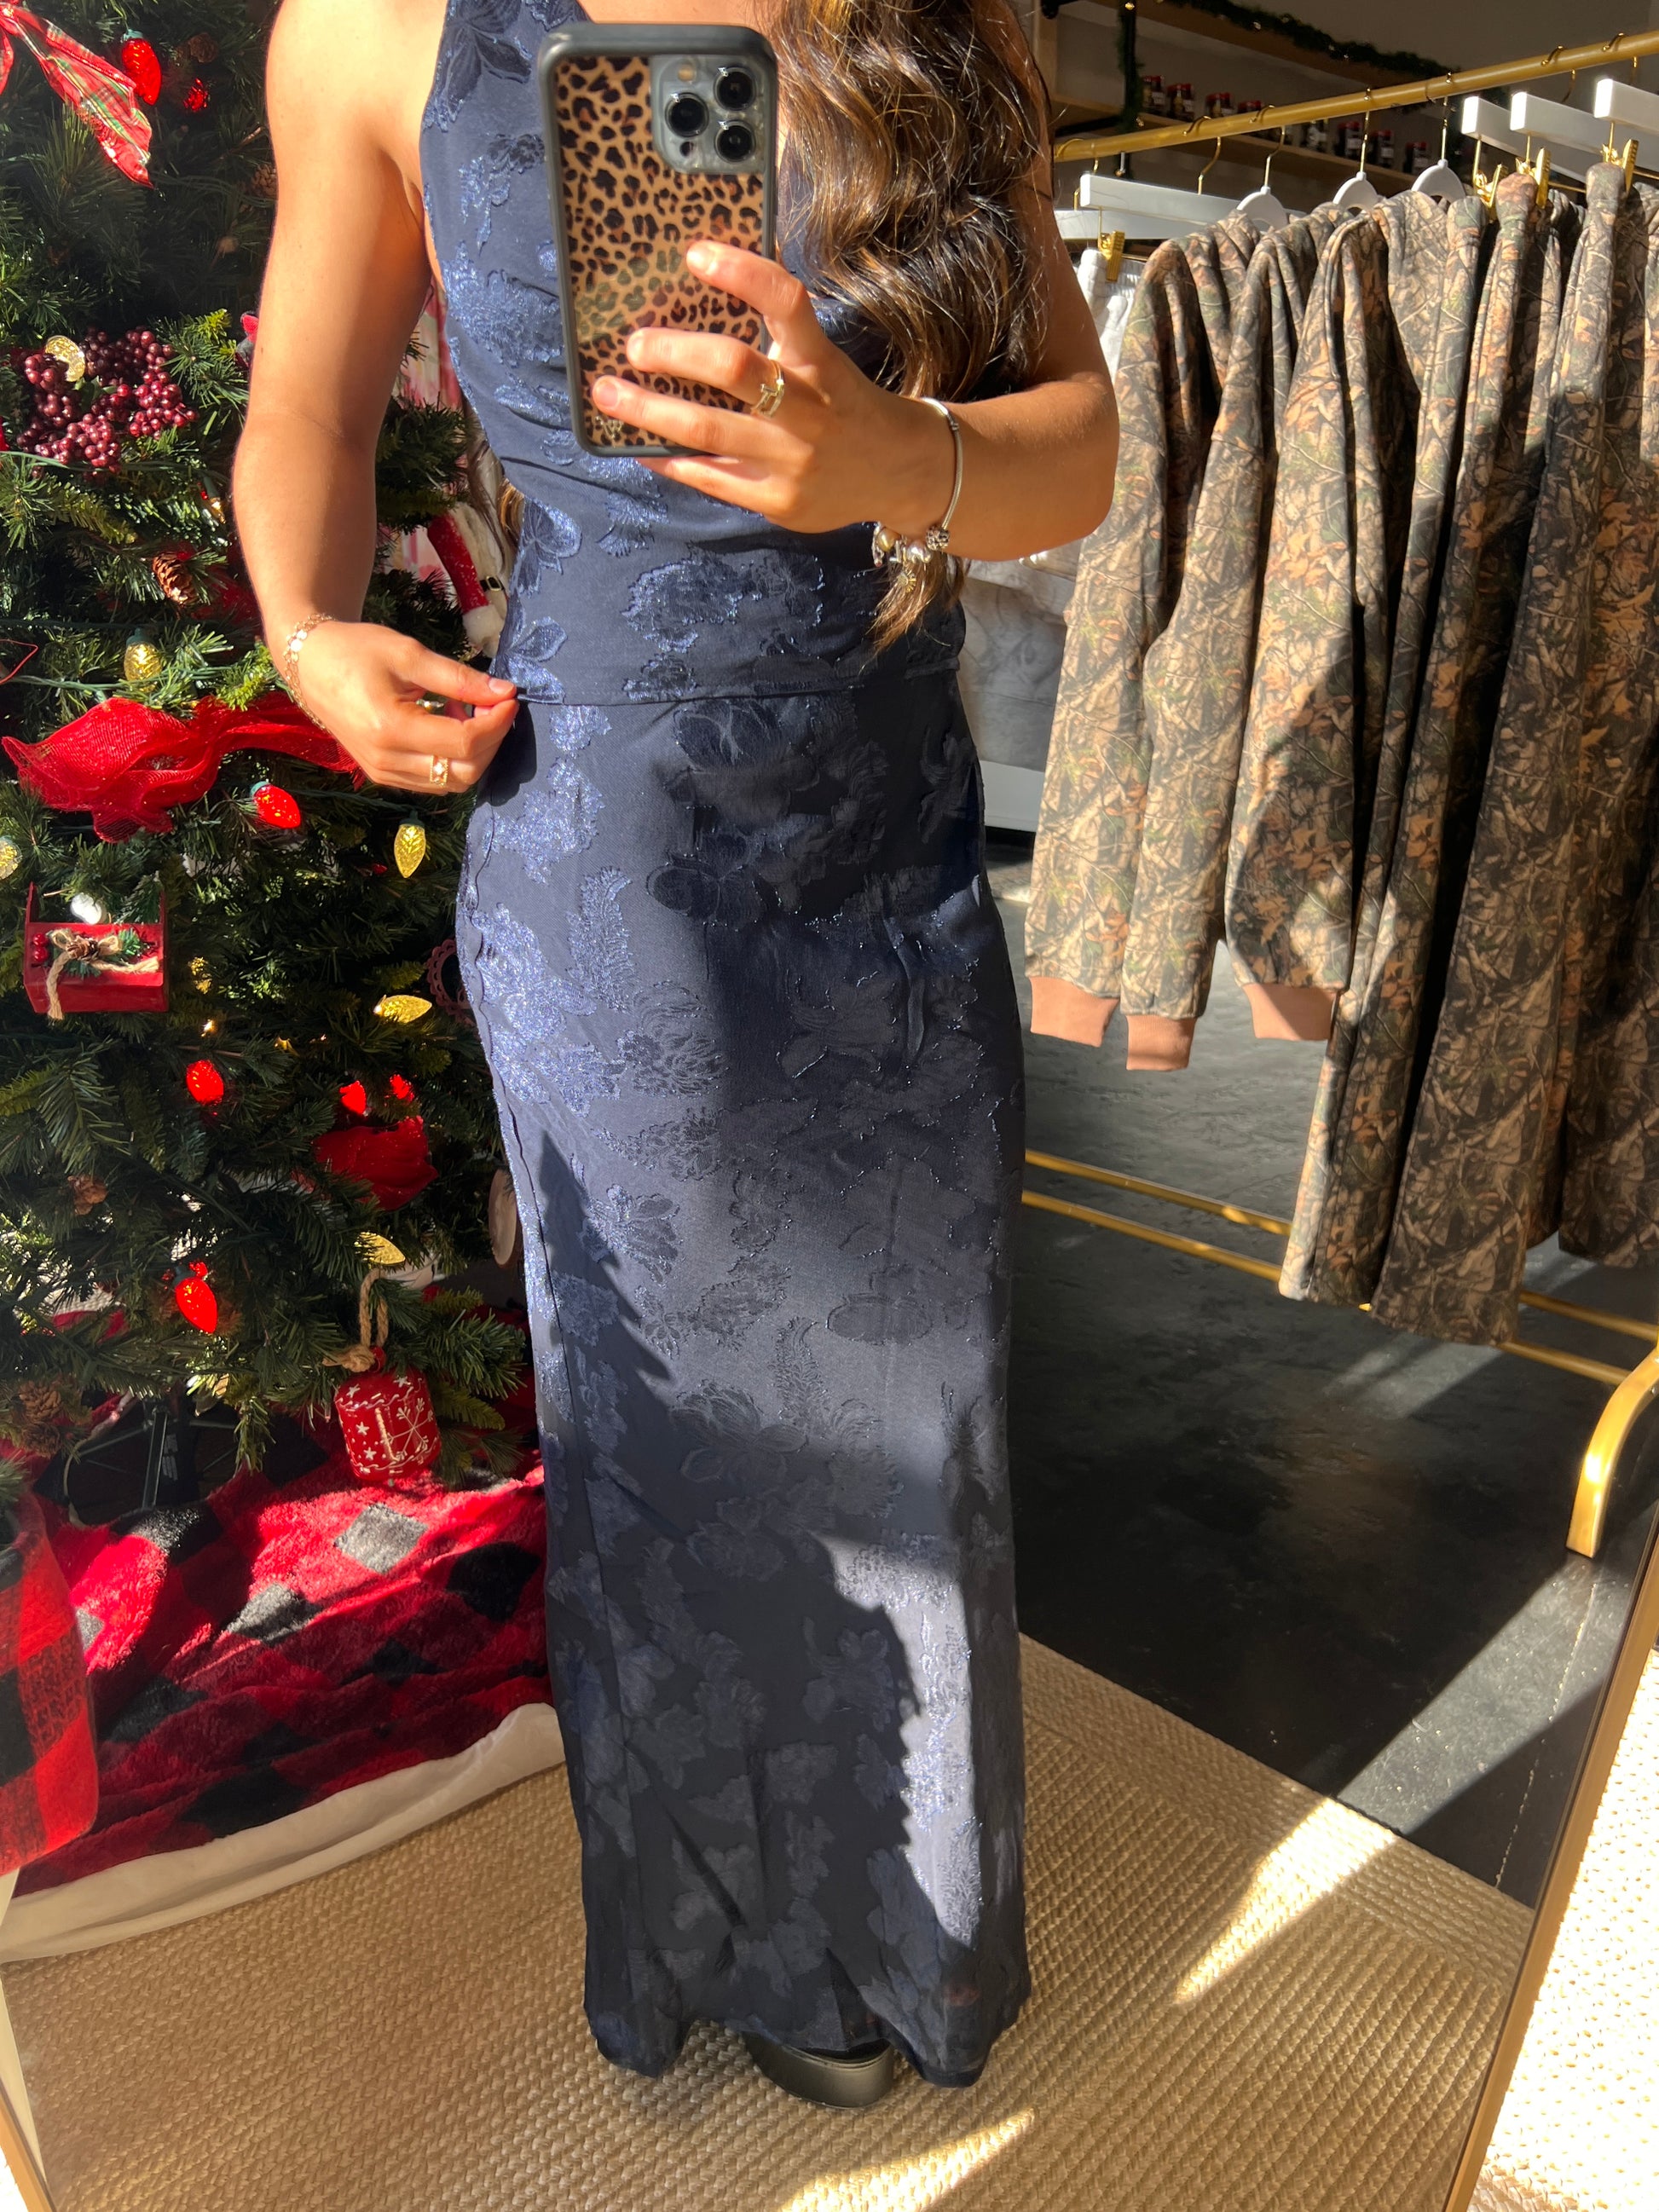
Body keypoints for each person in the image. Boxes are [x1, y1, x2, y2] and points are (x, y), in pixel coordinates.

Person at [235, 0, 1117, 2109]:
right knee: (662, 1427)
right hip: (606, 847)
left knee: (913, 1407)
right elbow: (308, 406)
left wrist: (898, 463)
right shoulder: (370, 24)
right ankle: (709, 1938)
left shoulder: (945, 16)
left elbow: (1079, 439)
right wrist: (307, 629)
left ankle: (900, 1939)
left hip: (882, 839)